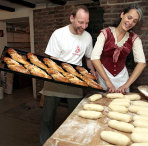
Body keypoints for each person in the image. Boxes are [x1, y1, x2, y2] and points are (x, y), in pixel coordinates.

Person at [39, 5, 96, 145]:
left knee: (76, 118)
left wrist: (93, 71)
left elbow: (89, 59)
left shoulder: (87, 37)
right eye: (80, 22)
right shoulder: (58, 34)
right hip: (55, 82)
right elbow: (52, 61)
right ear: (72, 18)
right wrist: (63, 74)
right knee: (47, 118)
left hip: (75, 82)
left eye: (86, 23)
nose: (84, 26)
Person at [91, 4, 146, 94]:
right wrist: (107, 81)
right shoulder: (105, 33)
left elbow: (142, 63)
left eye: (134, 21)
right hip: (104, 75)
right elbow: (94, 58)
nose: (130, 22)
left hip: (122, 78)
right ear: (122, 14)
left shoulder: (134, 38)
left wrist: (126, 84)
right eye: (129, 17)